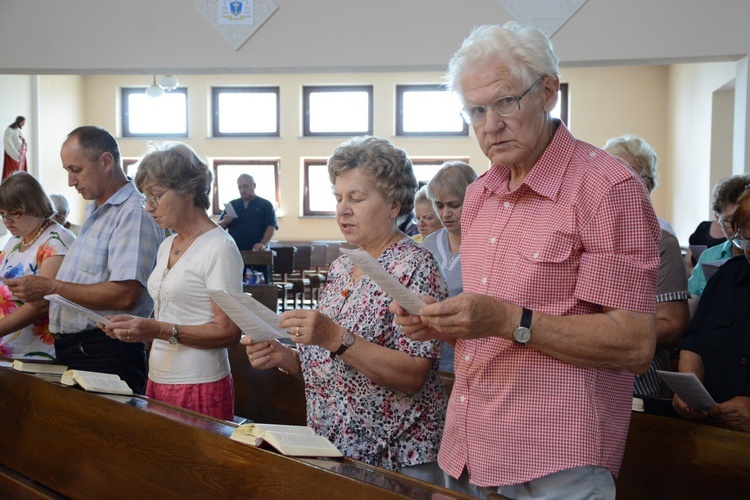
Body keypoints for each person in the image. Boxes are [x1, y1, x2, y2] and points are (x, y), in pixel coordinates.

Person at [391, 23, 659, 499]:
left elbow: (633, 343)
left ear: (548, 92)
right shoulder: (479, 195)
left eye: (505, 102)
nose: (490, 125)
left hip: (556, 455)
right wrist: (442, 323)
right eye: (476, 110)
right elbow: (489, 323)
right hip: (471, 441)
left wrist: (506, 318)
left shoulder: (606, 189)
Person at [243, 136, 448, 480]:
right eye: (338, 198)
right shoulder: (344, 265)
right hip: (335, 445)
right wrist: (286, 358)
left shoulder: (415, 265)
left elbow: (413, 376)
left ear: (394, 205)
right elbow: (331, 363)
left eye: (356, 198)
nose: (343, 209)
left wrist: (334, 335)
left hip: (397, 452)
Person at [6, 126, 163, 394]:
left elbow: (127, 295)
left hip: (106, 351)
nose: (70, 181)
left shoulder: (131, 213)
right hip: (79, 350)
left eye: (75, 170)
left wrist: (51, 288)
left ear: (106, 161)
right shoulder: (97, 211)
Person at [102, 143, 242, 420]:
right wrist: (131, 325)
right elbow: (168, 310)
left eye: (156, 196)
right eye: (145, 197)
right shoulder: (167, 244)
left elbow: (228, 333)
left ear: (190, 189)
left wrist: (156, 328)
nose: (148, 208)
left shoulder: (219, 248)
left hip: (199, 380)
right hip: (159, 376)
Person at [603, 134, 690, 397]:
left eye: (626, 176)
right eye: (606, 176)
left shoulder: (661, 242)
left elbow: (672, 326)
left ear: (647, 185)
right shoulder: (587, 233)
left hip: (637, 384)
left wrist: (599, 334)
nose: (612, 185)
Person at [673, 188, 750, 433]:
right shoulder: (727, 276)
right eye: (745, 242)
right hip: (713, 431)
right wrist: (689, 392)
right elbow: (693, 343)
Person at [0, 173, 76, 360]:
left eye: (14, 213)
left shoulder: (57, 240)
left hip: (34, 353)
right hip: (8, 347)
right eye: (2, 214)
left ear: (34, 205)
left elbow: (42, 304)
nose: (7, 221)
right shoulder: (15, 239)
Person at [422, 161, 477, 372]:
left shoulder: (485, 242)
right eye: (439, 205)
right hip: (432, 354)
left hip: (469, 356)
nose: (445, 214)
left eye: (454, 205)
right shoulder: (430, 242)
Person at [687, 175, 750, 315]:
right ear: (717, 218)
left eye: (743, 221)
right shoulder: (709, 256)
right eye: (729, 221)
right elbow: (691, 303)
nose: (737, 230)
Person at [218, 174, 278, 283]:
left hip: (258, 254)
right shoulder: (232, 205)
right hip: (236, 253)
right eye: (240, 187)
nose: (242, 190)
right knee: (235, 286)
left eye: (245, 186)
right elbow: (218, 227)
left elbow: (271, 226)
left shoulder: (265, 205)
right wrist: (225, 221)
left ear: (254, 186)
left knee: (261, 290)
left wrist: (263, 243)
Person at [3, 116, 28, 181]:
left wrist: (24, 143)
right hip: (14, 157)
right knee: (13, 175)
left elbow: (20, 139)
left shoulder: (18, 130)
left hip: (21, 155)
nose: (24, 124)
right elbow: (8, 144)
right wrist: (16, 155)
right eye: (23, 122)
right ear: (19, 122)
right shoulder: (9, 130)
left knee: (20, 175)